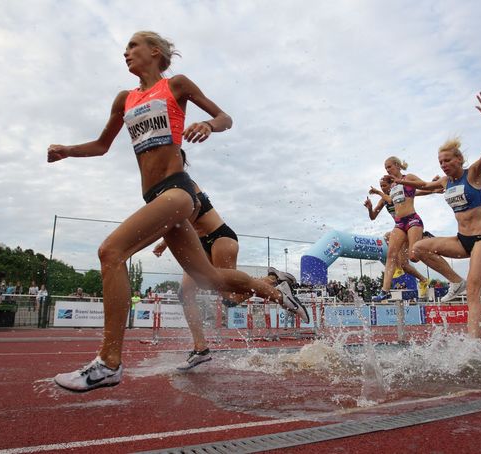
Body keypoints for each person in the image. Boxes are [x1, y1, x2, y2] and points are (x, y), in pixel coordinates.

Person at [48, 31, 308, 392]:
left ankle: (109, 362)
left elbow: (224, 117)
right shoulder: (124, 99)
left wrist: (208, 125)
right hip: (154, 198)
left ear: (155, 52)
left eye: (133, 46)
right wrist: (66, 150)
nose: (126, 52)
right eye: (125, 49)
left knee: (111, 252)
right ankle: (279, 292)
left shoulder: (177, 86)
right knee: (213, 281)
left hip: (177, 191)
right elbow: (101, 145)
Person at [152, 152, 297, 370]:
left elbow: (197, 206)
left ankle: (273, 278)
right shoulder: (163, 187)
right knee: (185, 293)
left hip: (220, 237)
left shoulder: (186, 182)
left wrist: (166, 241)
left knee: (229, 298)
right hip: (200, 244)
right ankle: (200, 348)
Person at [394, 92, 481, 338]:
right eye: (440, 161)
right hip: (460, 240)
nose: (443, 165)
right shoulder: (444, 182)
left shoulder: (473, 173)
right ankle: (455, 281)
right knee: (418, 249)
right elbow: (424, 186)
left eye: (447, 160)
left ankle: (473, 344)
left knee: (474, 292)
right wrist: (401, 181)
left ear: (459, 159)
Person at [365, 175, 460, 300]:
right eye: (381, 187)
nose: (383, 189)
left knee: (393, 239)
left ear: (391, 184)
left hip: (411, 227)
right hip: (400, 229)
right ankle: (422, 279)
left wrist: (433, 187)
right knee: (405, 264)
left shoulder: (399, 192)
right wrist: (370, 208)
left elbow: (417, 192)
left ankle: (427, 242)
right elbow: (373, 217)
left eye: (384, 186)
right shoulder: (383, 199)